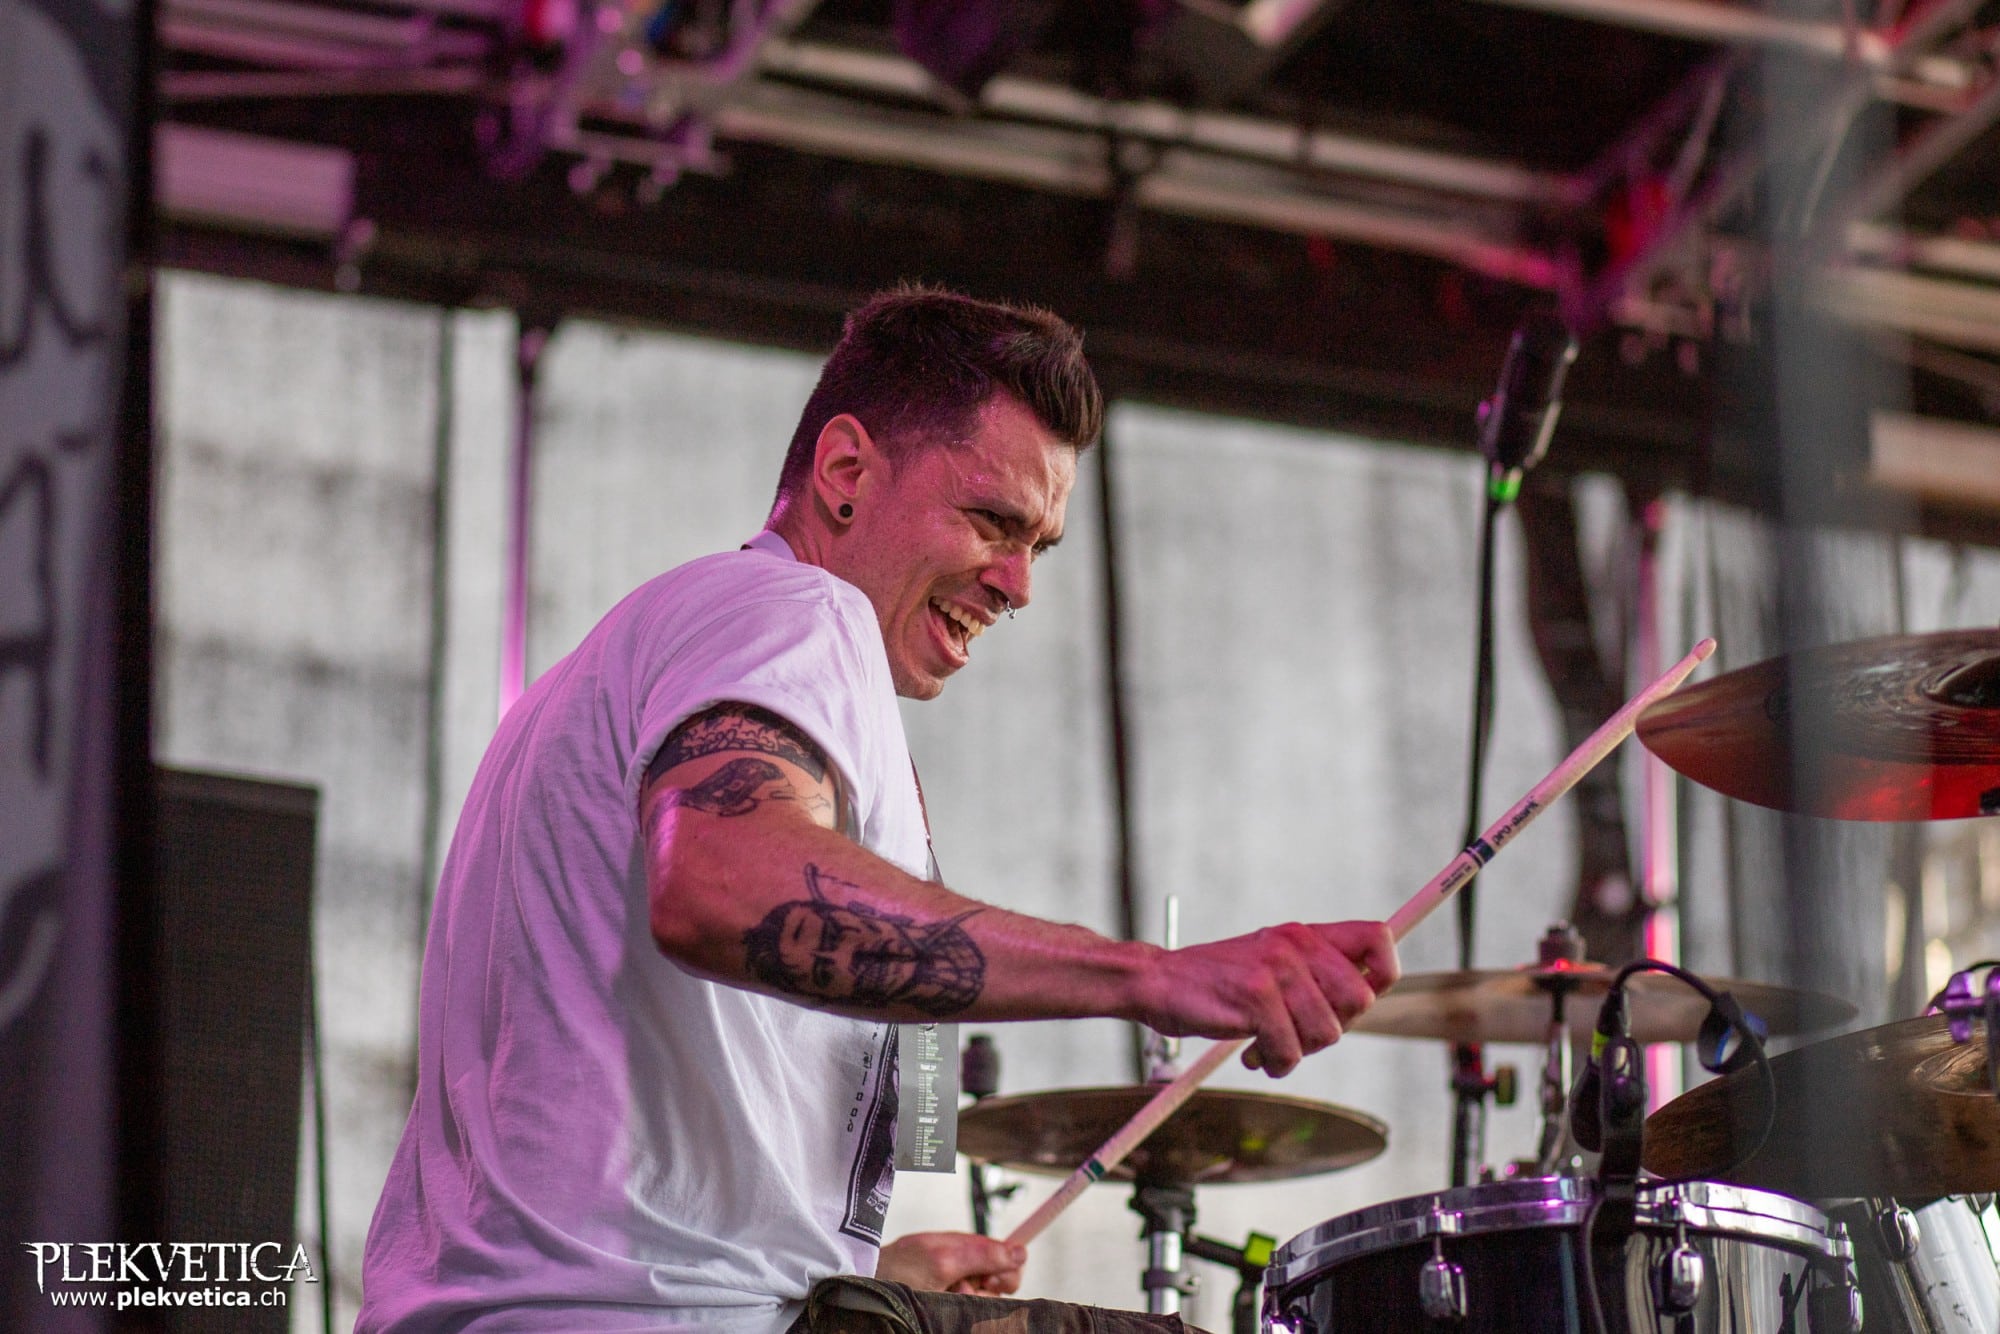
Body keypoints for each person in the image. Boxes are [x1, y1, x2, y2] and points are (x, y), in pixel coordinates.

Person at [357, 287, 1399, 1332]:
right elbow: (719, 884)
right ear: (847, 473)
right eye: (992, 522)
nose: (1018, 585)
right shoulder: (789, 610)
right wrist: (1154, 976)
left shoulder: (645, 655)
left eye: (1038, 545)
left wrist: (873, 1271)